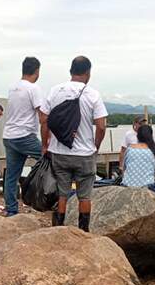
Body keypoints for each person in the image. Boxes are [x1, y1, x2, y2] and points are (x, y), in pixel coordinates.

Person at [39, 56, 108, 231]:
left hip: (59, 152)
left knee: (62, 192)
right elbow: (101, 126)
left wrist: (45, 144)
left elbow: (44, 120)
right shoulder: (92, 94)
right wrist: (96, 146)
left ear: (71, 71)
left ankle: (59, 228)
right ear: (88, 72)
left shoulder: (55, 91)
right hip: (84, 154)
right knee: (84, 196)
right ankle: (83, 231)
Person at [2, 57, 45, 216]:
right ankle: (37, 192)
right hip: (24, 136)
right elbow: (43, 116)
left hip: (9, 136)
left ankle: (12, 210)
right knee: (49, 160)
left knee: (11, 176)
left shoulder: (12, 88)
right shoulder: (33, 89)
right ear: (37, 71)